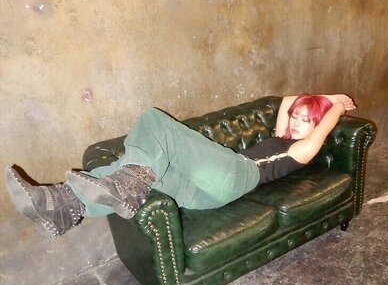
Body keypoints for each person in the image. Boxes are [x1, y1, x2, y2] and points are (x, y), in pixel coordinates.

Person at [4, 93, 356, 239]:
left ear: (317, 127)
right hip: (204, 196)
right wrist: (318, 99)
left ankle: (123, 184)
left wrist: (337, 105)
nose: (296, 123)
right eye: (295, 117)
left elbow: (321, 127)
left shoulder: (302, 151)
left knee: (153, 120)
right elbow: (288, 100)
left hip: (240, 175)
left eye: (306, 121)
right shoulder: (282, 134)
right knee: (129, 170)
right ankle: (64, 206)